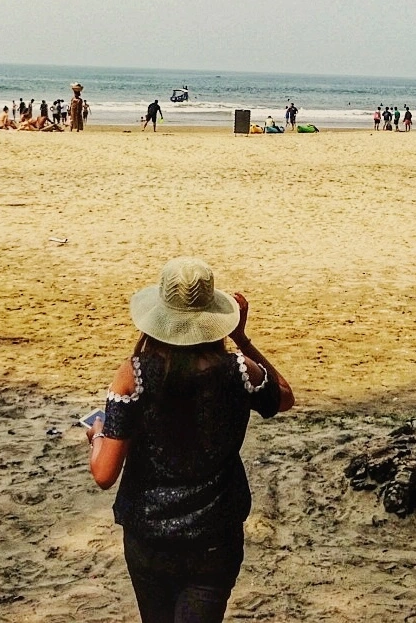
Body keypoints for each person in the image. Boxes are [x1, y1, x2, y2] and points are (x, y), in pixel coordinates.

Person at [87, 257, 293, 623]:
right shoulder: (240, 370)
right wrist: (241, 338)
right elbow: (283, 397)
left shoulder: (134, 375)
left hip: (149, 534)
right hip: (216, 534)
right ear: (214, 318)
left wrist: (98, 434)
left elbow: (104, 474)